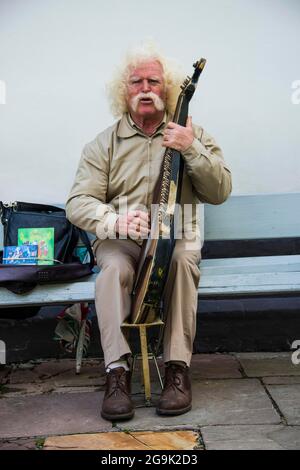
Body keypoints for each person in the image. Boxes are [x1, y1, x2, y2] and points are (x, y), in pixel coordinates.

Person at [66, 43, 232, 421]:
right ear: (123, 90)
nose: (145, 88)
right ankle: (117, 372)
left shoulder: (191, 133)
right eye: (136, 81)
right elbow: (78, 202)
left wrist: (191, 149)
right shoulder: (103, 143)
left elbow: (220, 191)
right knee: (111, 272)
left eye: (153, 81)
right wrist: (114, 221)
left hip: (175, 236)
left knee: (186, 257)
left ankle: (176, 370)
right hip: (121, 240)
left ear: (167, 88)